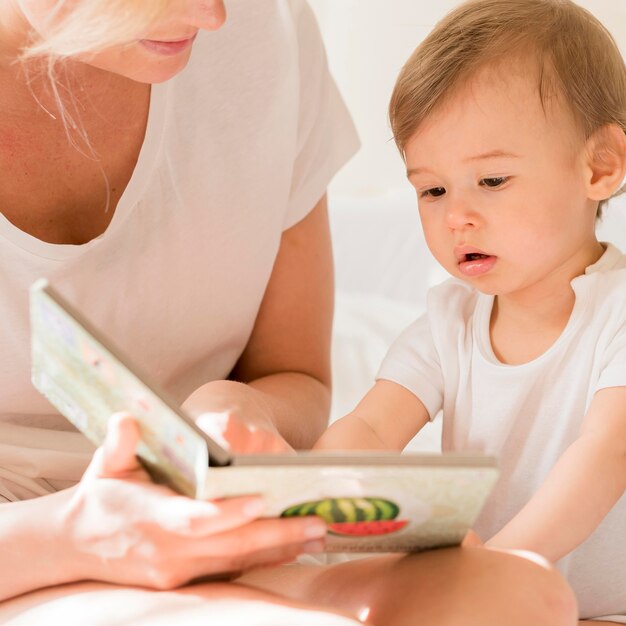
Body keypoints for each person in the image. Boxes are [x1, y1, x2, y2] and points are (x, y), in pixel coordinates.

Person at [0, 0, 577, 624]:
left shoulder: (265, 28)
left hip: (216, 524)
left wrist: (236, 410)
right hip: (25, 547)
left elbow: (295, 376)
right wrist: (83, 532)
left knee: (523, 595)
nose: (216, 16)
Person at [314, 0, 626, 623]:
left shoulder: (617, 314)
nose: (456, 216)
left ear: (599, 166)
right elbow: (371, 429)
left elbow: (606, 453)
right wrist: (317, 496)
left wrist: (497, 569)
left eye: (491, 181)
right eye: (432, 190)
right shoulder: (447, 322)